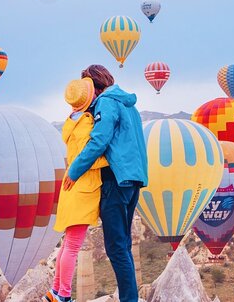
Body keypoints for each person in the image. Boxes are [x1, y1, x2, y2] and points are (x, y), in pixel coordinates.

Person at [63, 65, 148, 302]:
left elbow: (99, 141)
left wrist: (74, 171)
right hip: (133, 179)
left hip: (115, 180)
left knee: (115, 247)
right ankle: (130, 297)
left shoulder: (106, 103)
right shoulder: (129, 105)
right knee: (124, 244)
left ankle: (129, 300)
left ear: (92, 87)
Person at [45, 77, 109, 302]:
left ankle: (55, 291)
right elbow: (88, 157)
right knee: (73, 246)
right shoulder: (86, 123)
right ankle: (63, 295)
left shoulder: (70, 121)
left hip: (71, 187)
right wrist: (110, 160)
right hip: (83, 187)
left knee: (67, 243)